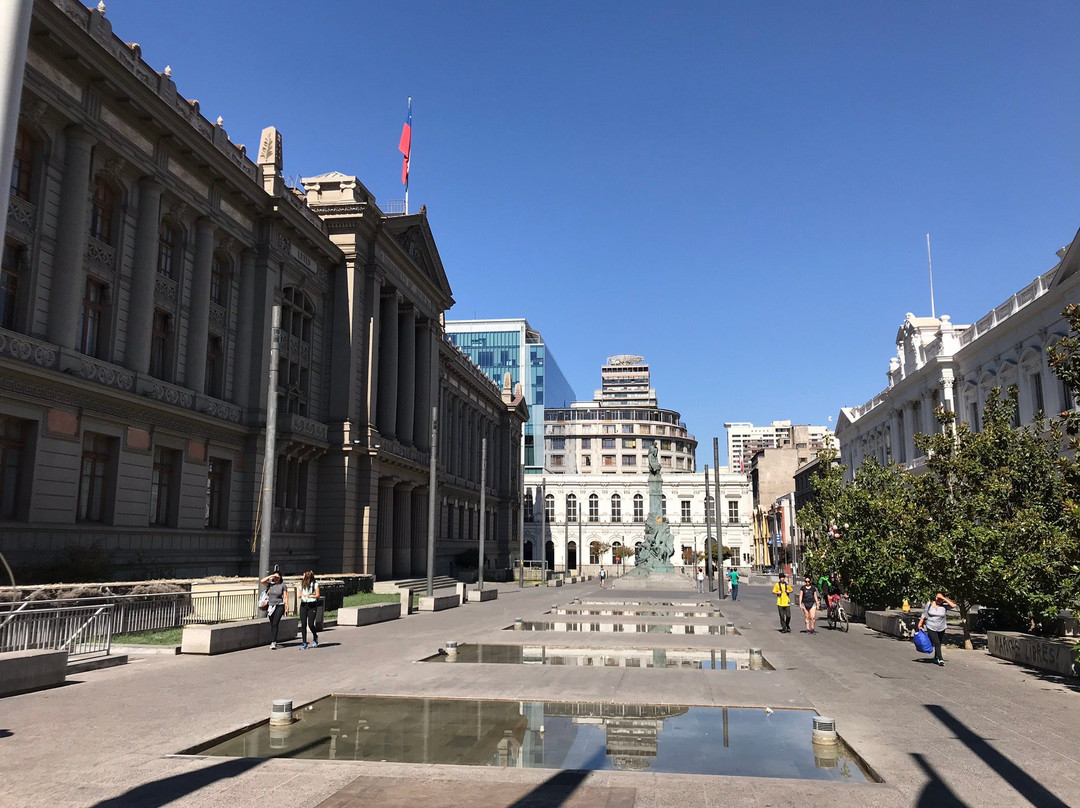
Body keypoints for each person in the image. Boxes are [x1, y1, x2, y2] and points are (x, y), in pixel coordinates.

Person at [917, 592, 956, 666]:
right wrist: (920, 623)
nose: (939, 600)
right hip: (931, 626)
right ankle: (940, 659)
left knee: (938, 643)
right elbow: (924, 613)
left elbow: (953, 605)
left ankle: (936, 657)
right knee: (937, 643)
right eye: (937, 598)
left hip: (941, 627)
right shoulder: (929, 604)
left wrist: (944, 598)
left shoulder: (945, 606)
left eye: (940, 599)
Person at [261, 570, 290, 650]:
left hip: (279, 605)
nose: (276, 579)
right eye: (275, 577)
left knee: (275, 623)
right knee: (272, 623)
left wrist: (287, 607)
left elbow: (285, 596)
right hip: (271, 606)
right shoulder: (271, 585)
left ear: (280, 577)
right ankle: (274, 640)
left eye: (277, 577)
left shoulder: (283, 585)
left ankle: (273, 642)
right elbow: (262, 581)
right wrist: (271, 576)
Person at [298, 569, 320, 650]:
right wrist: (300, 595)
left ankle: (315, 636)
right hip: (304, 605)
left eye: (304, 576)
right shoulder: (302, 584)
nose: (303, 577)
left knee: (310, 624)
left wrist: (310, 596)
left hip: (312, 605)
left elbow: (318, 595)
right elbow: (300, 594)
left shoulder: (315, 584)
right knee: (303, 624)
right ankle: (304, 642)